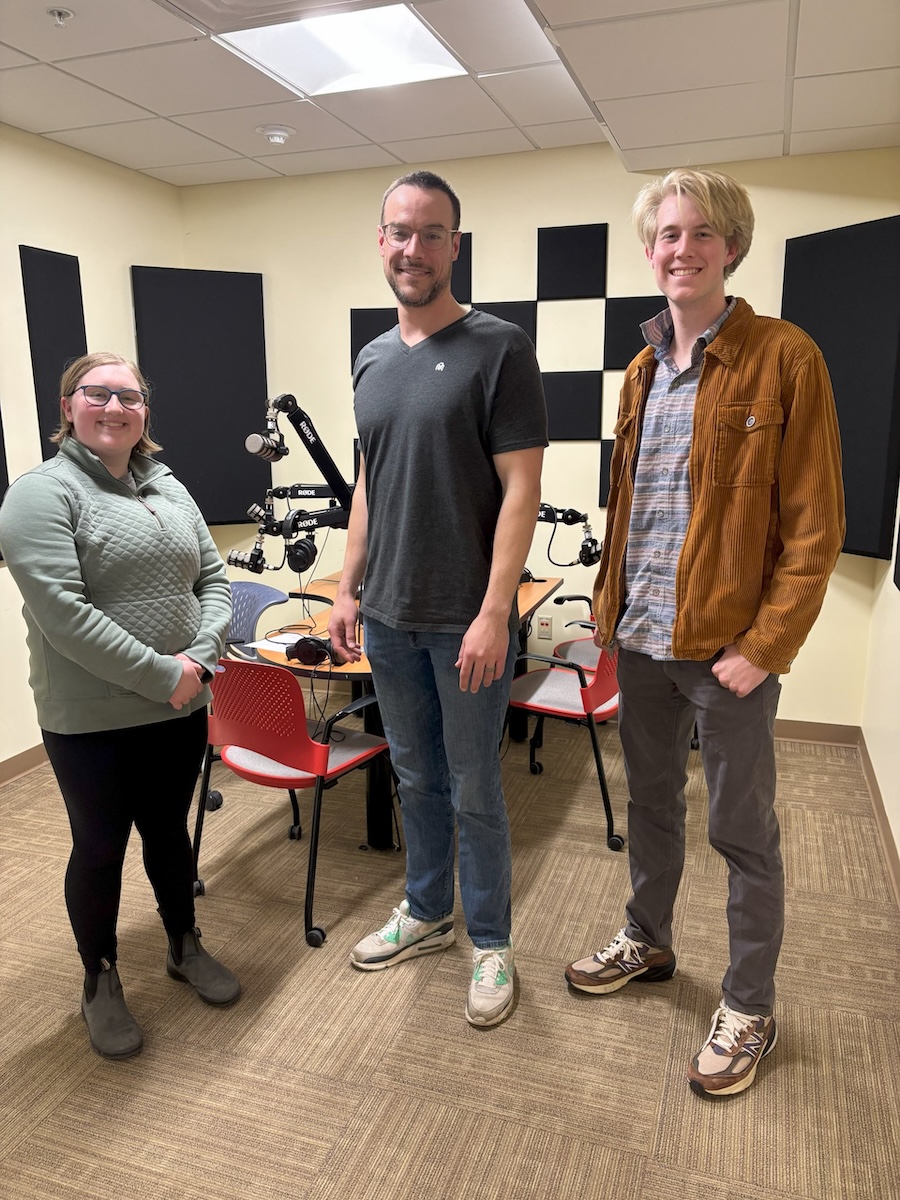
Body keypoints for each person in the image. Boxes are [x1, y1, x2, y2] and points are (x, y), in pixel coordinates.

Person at [564, 169, 845, 1097]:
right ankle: (648, 941)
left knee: (740, 830)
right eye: (665, 235)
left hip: (728, 655)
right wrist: (609, 618)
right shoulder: (643, 368)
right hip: (641, 640)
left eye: (698, 233)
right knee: (649, 809)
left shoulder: (785, 356)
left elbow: (815, 528)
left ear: (731, 245)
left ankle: (750, 1003)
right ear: (651, 252)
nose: (679, 250)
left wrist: (760, 649)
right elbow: (635, 508)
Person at [328, 170, 547, 1027]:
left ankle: (490, 942)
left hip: (465, 618)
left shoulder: (500, 348)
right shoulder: (373, 358)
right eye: (397, 231)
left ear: (454, 245)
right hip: (386, 614)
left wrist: (497, 611)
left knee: (473, 788)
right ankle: (426, 913)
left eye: (430, 233)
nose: (411, 248)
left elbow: (522, 489)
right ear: (380, 242)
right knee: (414, 776)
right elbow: (370, 487)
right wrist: (348, 589)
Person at [0, 351, 240, 1061]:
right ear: (68, 406)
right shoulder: (39, 495)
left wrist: (197, 660)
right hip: (92, 718)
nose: (114, 407)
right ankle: (99, 978)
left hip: (180, 701)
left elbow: (217, 577)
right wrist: (160, 674)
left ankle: (183, 943)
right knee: (101, 847)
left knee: (168, 830)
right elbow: (62, 615)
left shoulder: (168, 486)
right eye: (96, 393)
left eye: (129, 396)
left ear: (145, 413)